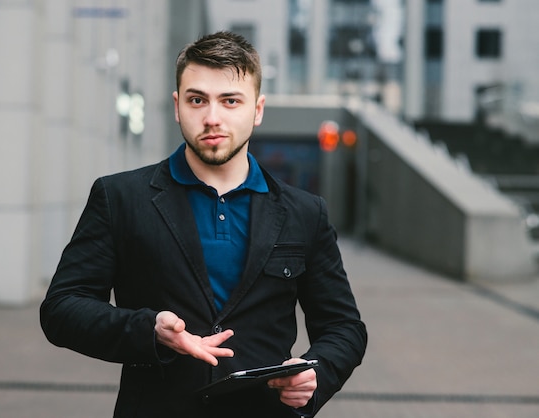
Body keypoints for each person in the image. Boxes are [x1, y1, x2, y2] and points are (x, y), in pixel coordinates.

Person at [40, 30, 367, 418]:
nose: (212, 118)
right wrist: (149, 330)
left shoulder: (304, 212)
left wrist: (315, 375)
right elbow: (61, 309)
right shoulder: (121, 197)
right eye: (198, 100)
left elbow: (344, 327)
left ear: (257, 110)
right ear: (178, 106)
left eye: (230, 101)